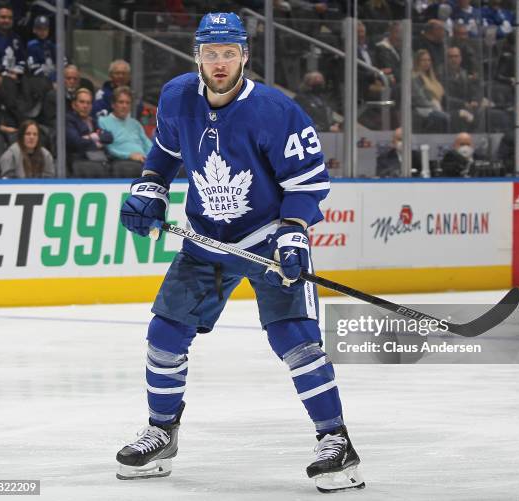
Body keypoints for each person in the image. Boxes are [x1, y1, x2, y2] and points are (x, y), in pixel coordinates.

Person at [115, 12, 364, 493]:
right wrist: (150, 188)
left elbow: (307, 183)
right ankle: (162, 433)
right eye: (212, 53)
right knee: (163, 336)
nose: (221, 62)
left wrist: (293, 231)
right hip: (206, 239)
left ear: (245, 55)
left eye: (230, 53)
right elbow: (164, 153)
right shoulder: (177, 96)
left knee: (296, 341)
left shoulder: (276, 110)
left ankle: (336, 441)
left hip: (266, 240)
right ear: (198, 56)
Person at [98, 86, 153, 177]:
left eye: (127, 103)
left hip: (142, 160)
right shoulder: (103, 122)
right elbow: (108, 149)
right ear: (113, 104)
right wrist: (129, 155)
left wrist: (151, 158)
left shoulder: (135, 124)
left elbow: (148, 144)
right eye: (121, 102)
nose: (124, 106)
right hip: (121, 162)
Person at [66, 88, 113, 161]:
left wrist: (90, 137)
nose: (85, 106)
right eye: (82, 102)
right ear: (74, 105)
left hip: (96, 158)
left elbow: (108, 137)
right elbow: (77, 142)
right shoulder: (69, 120)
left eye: (88, 103)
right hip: (78, 160)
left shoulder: (92, 120)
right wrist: (96, 144)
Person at [26, 16, 57, 80]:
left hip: (54, 77)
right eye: (40, 29)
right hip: (39, 81)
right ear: (34, 30)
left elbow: (62, 62)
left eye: (45, 29)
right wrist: (51, 79)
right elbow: (34, 69)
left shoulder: (51, 45)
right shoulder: (31, 46)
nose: (43, 31)